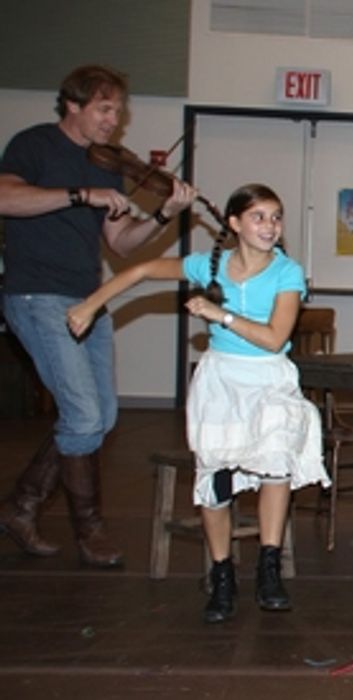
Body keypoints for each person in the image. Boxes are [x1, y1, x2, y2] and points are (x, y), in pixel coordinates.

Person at [67, 183, 328, 623]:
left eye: (276, 217)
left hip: (267, 377)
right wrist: (90, 305)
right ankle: (222, 573)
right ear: (234, 223)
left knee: (277, 462)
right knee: (217, 477)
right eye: (259, 217)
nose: (269, 226)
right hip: (222, 378)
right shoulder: (212, 265)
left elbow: (274, 338)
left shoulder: (287, 272)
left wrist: (218, 314)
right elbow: (144, 270)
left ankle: (269, 566)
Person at [0, 64, 196, 566]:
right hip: (35, 296)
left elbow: (121, 241)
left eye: (119, 111)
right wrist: (78, 194)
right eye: (105, 109)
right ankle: (91, 531)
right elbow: (4, 196)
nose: (115, 120)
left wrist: (162, 215)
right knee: (84, 416)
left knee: (99, 416)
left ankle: (20, 506)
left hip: (87, 298)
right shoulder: (34, 144)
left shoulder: (104, 164)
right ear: (74, 104)